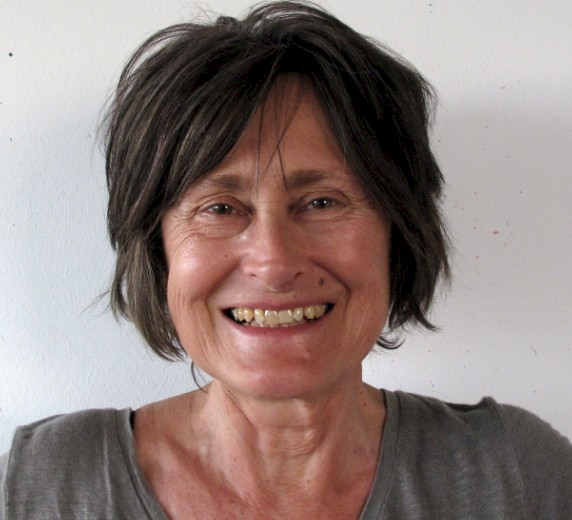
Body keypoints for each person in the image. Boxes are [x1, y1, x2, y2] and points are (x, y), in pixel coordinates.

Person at [1, 1, 570, 518]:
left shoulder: (517, 478)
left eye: (322, 202)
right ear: (157, 249)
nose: (273, 263)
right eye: (220, 208)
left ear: (399, 232)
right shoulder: (42, 488)